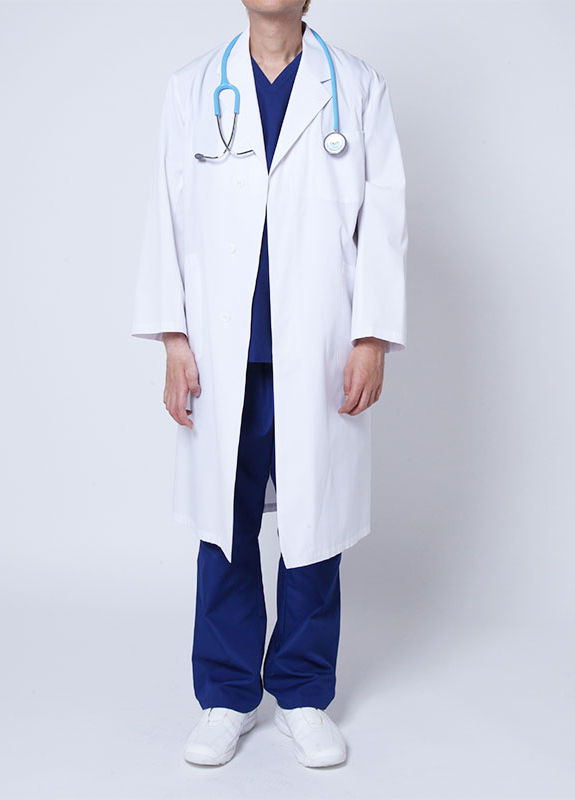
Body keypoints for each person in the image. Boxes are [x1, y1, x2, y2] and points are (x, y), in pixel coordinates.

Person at [132, 0, 407, 769]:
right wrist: (173, 339)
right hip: (224, 355)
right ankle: (226, 695)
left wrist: (372, 336)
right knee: (224, 525)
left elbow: (385, 221)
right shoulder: (193, 88)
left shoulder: (357, 88)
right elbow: (166, 214)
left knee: (314, 526)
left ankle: (303, 692)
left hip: (319, 351)